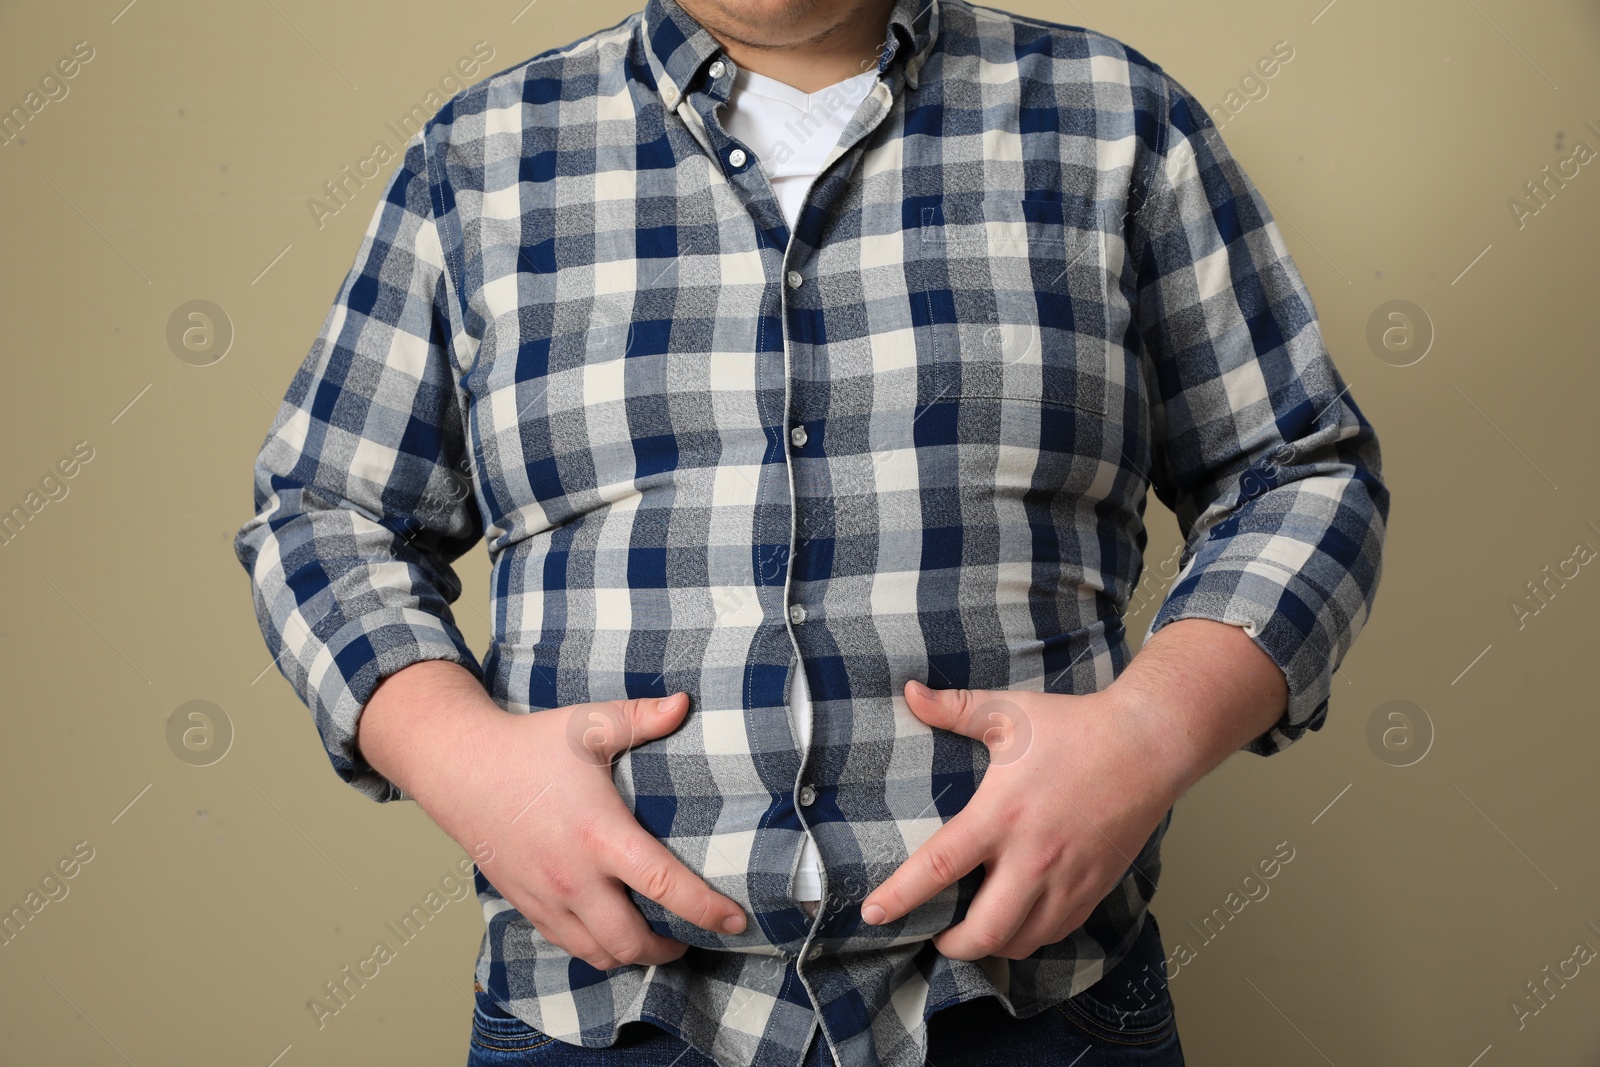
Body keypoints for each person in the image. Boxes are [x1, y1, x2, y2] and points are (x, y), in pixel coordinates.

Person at [232, 0, 1388, 1063]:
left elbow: (1297, 470)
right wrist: (462, 760)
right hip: (602, 1013)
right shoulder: (476, 158)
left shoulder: (1120, 121)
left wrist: (1148, 731)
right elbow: (327, 512)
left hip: (1037, 1005)